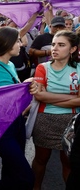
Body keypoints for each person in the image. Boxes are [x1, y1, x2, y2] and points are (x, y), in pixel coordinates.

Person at [0, 27, 35, 190]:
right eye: (17, 41)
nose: (21, 44)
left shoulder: (9, 64)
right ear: (7, 44)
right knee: (26, 177)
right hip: (1, 129)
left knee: (11, 171)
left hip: (17, 124)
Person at [32, 30, 80, 190]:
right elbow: (39, 96)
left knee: (68, 163)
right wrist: (72, 99)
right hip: (45, 120)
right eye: (53, 44)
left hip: (71, 122)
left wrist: (48, 95)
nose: (55, 48)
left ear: (72, 49)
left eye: (61, 45)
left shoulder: (79, 69)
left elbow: (44, 95)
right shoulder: (42, 67)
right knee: (40, 160)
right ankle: (36, 187)